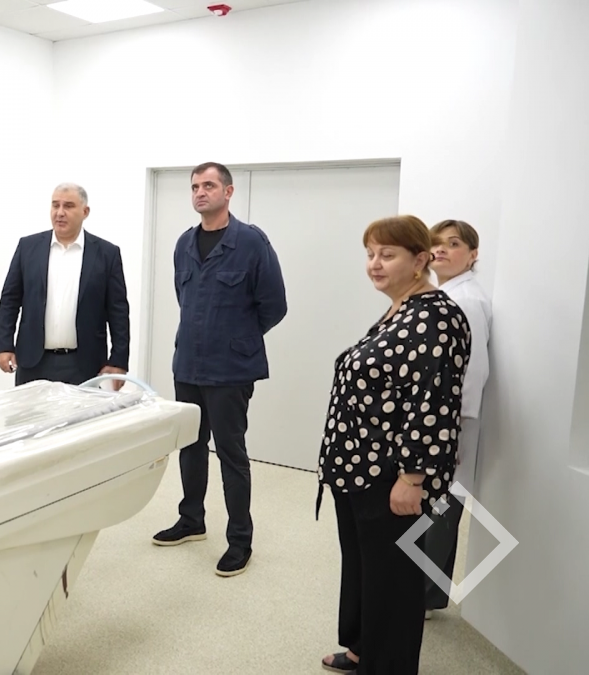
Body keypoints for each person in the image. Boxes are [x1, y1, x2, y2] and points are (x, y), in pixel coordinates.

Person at [317, 215, 470, 675]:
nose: (375, 264)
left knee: (393, 580)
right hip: (357, 469)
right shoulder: (400, 308)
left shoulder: (436, 317)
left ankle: (388, 666)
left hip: (391, 474)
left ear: (420, 259)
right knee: (365, 567)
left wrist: (412, 477)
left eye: (388, 254)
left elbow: (435, 403)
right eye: (370, 254)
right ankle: (362, 647)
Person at [151, 161, 287, 578]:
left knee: (231, 452)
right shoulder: (184, 243)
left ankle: (240, 539)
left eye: (209, 185)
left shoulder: (251, 242)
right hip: (188, 364)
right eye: (195, 186)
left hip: (231, 368)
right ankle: (191, 520)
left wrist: (237, 337)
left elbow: (274, 305)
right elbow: (185, 298)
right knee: (190, 446)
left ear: (228, 192)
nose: (200, 192)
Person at [421, 219, 492, 617]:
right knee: (435, 505)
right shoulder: (446, 295)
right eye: (436, 244)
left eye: (453, 244)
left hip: (451, 425)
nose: (441, 251)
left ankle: (425, 595)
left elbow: (473, 370)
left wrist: (455, 428)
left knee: (441, 507)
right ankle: (425, 593)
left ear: (473, 254)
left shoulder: (467, 301)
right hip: (440, 421)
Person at [0, 183, 130, 388]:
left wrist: (119, 361)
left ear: (85, 212)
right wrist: (4, 345)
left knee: (83, 412)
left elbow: (118, 311)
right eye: (55, 205)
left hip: (84, 365)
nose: (59, 213)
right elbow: (10, 300)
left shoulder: (106, 254)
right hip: (33, 363)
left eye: (68, 206)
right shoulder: (28, 248)